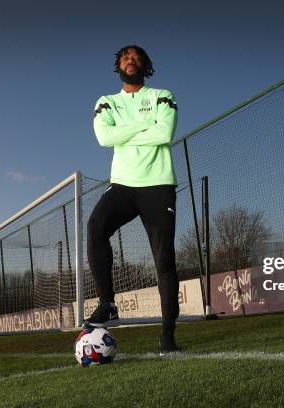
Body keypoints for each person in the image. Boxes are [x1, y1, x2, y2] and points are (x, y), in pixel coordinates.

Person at [84, 45, 180, 355]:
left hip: (158, 184)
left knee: (164, 260)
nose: (131, 59)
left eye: (137, 57)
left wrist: (123, 131)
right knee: (95, 226)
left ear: (145, 65)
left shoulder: (162, 95)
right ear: (118, 65)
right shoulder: (106, 101)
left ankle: (167, 337)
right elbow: (104, 139)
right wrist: (145, 125)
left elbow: (164, 133)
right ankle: (107, 303)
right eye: (125, 56)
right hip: (123, 184)